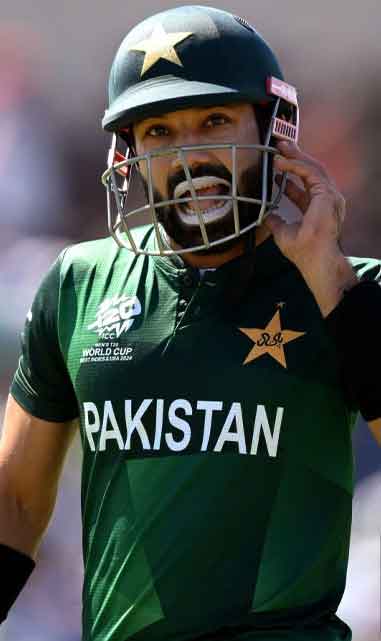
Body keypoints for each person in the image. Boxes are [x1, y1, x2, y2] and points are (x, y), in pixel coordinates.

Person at [0, 5, 380, 641]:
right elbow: (14, 502)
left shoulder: (354, 286)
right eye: (158, 133)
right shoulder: (77, 283)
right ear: (129, 155)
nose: (189, 155)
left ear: (273, 133)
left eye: (213, 121)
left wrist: (329, 279)